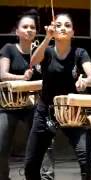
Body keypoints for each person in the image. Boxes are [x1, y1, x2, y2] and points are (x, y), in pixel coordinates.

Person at [24, 13, 91, 180]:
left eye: (67, 25)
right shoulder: (47, 52)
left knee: (86, 159)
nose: (63, 28)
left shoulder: (80, 53)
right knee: (31, 164)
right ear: (53, 30)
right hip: (46, 111)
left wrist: (85, 81)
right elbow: (33, 62)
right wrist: (47, 38)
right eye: (58, 25)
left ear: (73, 32)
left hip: (73, 112)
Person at [0, 10, 41, 180]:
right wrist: (22, 77)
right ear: (17, 31)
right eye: (25, 27)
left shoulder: (40, 51)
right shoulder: (8, 49)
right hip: (8, 106)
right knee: (1, 145)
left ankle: (41, 176)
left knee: (43, 141)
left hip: (32, 105)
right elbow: (2, 74)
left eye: (32, 27)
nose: (29, 30)